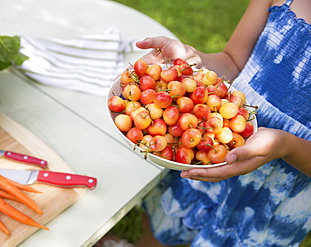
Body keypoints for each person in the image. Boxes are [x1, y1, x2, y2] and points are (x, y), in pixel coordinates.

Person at [132, 0, 311, 246]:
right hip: (213, 139)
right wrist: (190, 59)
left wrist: (285, 146)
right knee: (165, 222)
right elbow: (233, 61)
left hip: (279, 188)